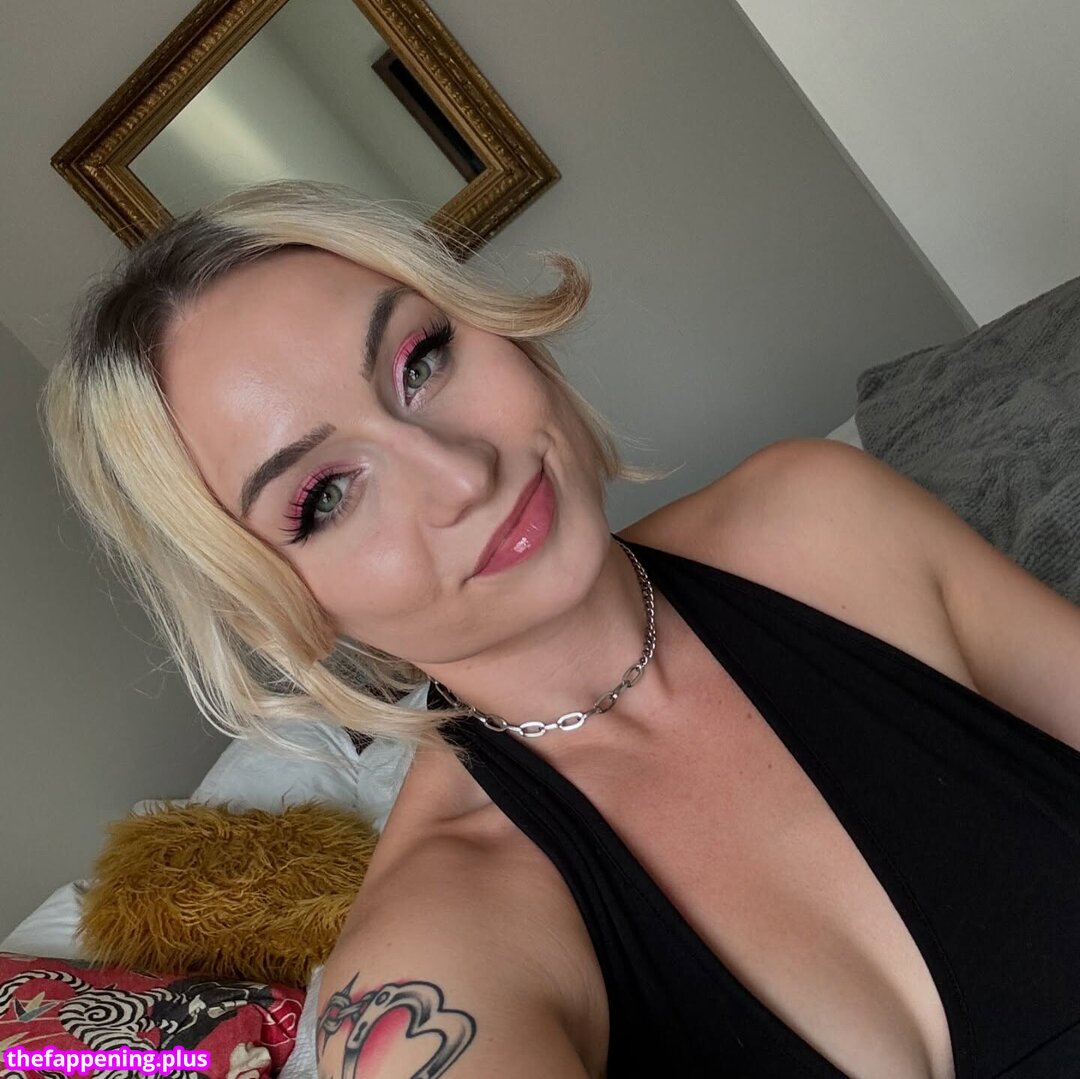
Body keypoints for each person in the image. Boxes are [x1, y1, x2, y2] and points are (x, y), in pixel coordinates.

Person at [43, 180, 1080, 1079]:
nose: (461, 473)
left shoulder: (821, 517)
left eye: (420, 360)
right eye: (324, 495)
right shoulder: (430, 961)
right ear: (276, 600)